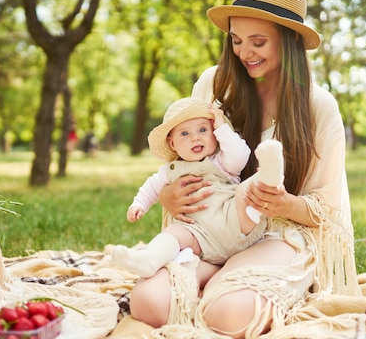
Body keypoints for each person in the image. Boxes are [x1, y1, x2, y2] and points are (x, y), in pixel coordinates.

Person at [128, 0, 360, 338]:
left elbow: (327, 212)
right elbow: (186, 157)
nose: (245, 52)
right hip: (209, 229)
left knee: (228, 313)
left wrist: (283, 203)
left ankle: (223, 282)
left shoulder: (318, 106)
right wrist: (168, 195)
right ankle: (214, 276)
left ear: (289, 41)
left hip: (278, 233)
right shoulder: (213, 84)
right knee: (147, 303)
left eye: (258, 41)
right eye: (236, 40)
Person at [111, 97, 284, 278]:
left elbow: (241, 156)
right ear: (172, 144)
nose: (195, 137)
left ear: (214, 134)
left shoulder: (221, 161)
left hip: (234, 221)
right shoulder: (169, 171)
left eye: (203, 130)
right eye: (184, 134)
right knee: (174, 233)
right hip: (199, 236)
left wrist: (221, 128)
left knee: (244, 193)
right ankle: (149, 260)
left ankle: (269, 175)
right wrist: (139, 204)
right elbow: (151, 188)